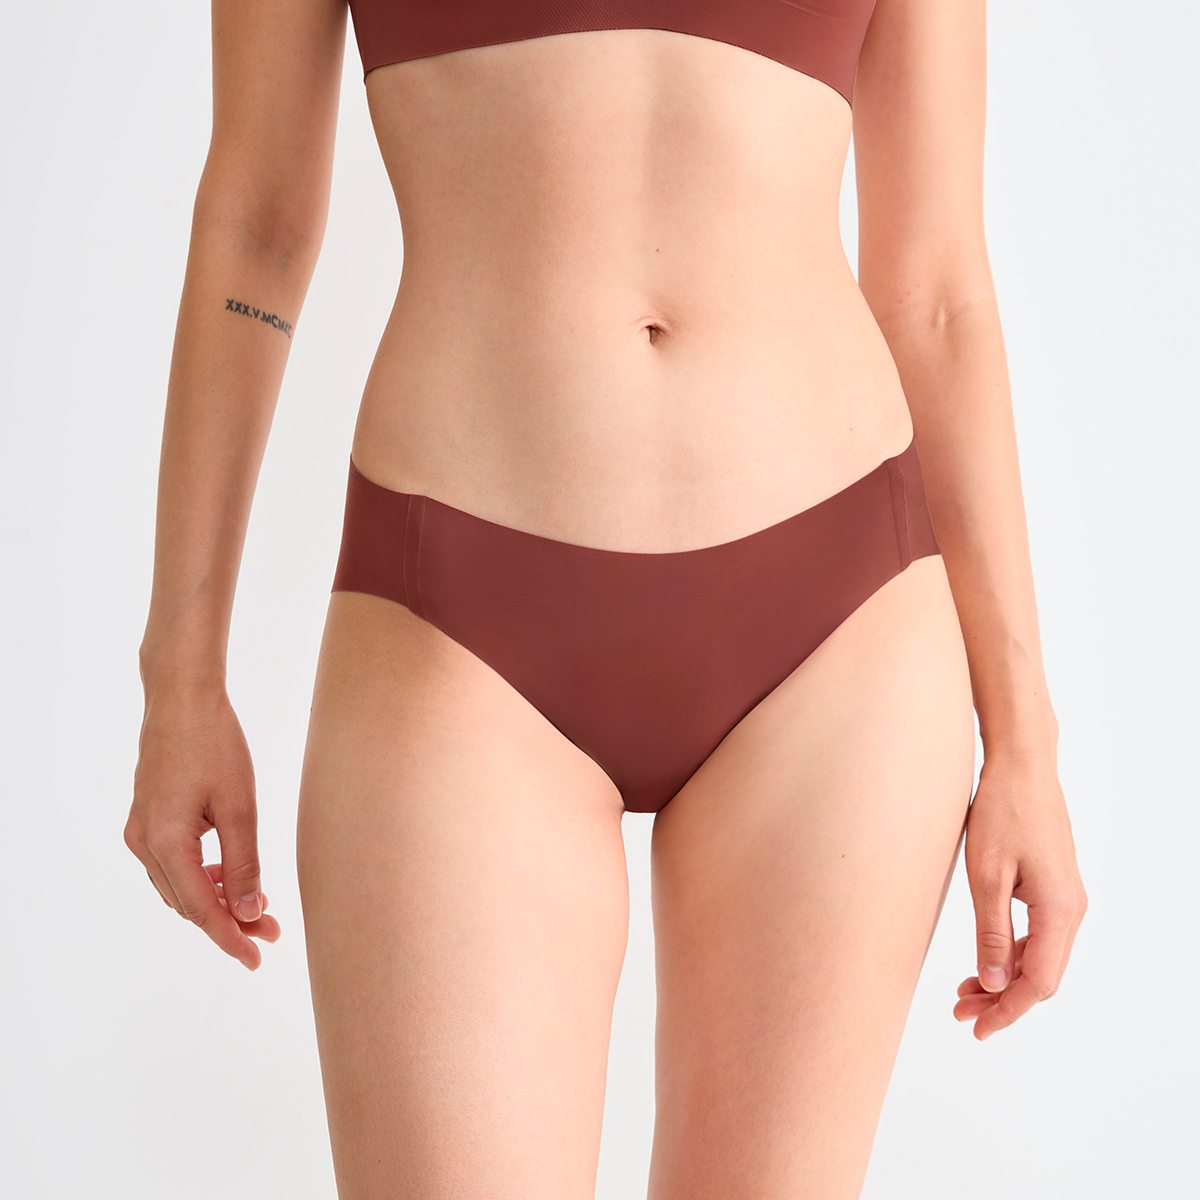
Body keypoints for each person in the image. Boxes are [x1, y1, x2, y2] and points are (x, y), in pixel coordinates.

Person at [124, 1, 1087, 1195]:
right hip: (458, 621)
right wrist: (180, 679)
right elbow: (255, 231)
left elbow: (938, 293)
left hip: (839, 626)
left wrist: (1026, 743)